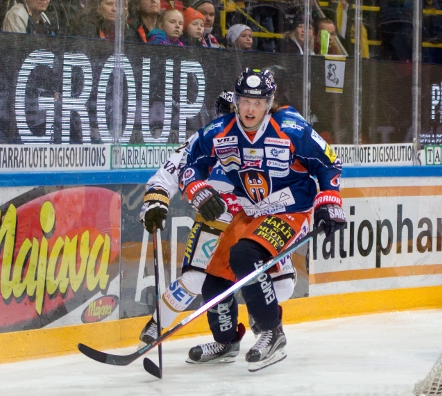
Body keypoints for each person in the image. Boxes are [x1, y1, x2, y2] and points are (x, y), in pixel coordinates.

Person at [178, 68, 345, 371]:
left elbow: (328, 163)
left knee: (245, 256)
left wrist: (329, 200)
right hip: (250, 212)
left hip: (289, 210)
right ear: (236, 100)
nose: (250, 108)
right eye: (245, 101)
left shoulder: (291, 128)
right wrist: (197, 189)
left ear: (269, 102)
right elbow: (189, 163)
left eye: (258, 102)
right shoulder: (220, 131)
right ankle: (226, 340)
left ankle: (271, 331)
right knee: (215, 280)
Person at [137, 92, 299, 344]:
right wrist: (156, 199)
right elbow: (167, 174)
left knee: (283, 285)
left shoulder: (270, 136)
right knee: (197, 280)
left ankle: (265, 323)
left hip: (257, 220)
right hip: (217, 220)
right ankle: (161, 325)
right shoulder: (205, 139)